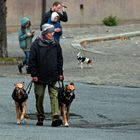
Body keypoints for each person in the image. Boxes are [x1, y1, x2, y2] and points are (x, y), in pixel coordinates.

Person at [28, 23, 64, 127]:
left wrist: (60, 73)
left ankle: (55, 117)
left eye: (52, 32)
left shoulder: (55, 44)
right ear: (44, 33)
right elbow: (32, 60)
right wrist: (33, 74)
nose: (52, 34)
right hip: (39, 75)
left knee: (54, 95)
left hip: (53, 74)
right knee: (39, 96)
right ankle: (40, 116)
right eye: (50, 32)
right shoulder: (36, 44)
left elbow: (60, 59)